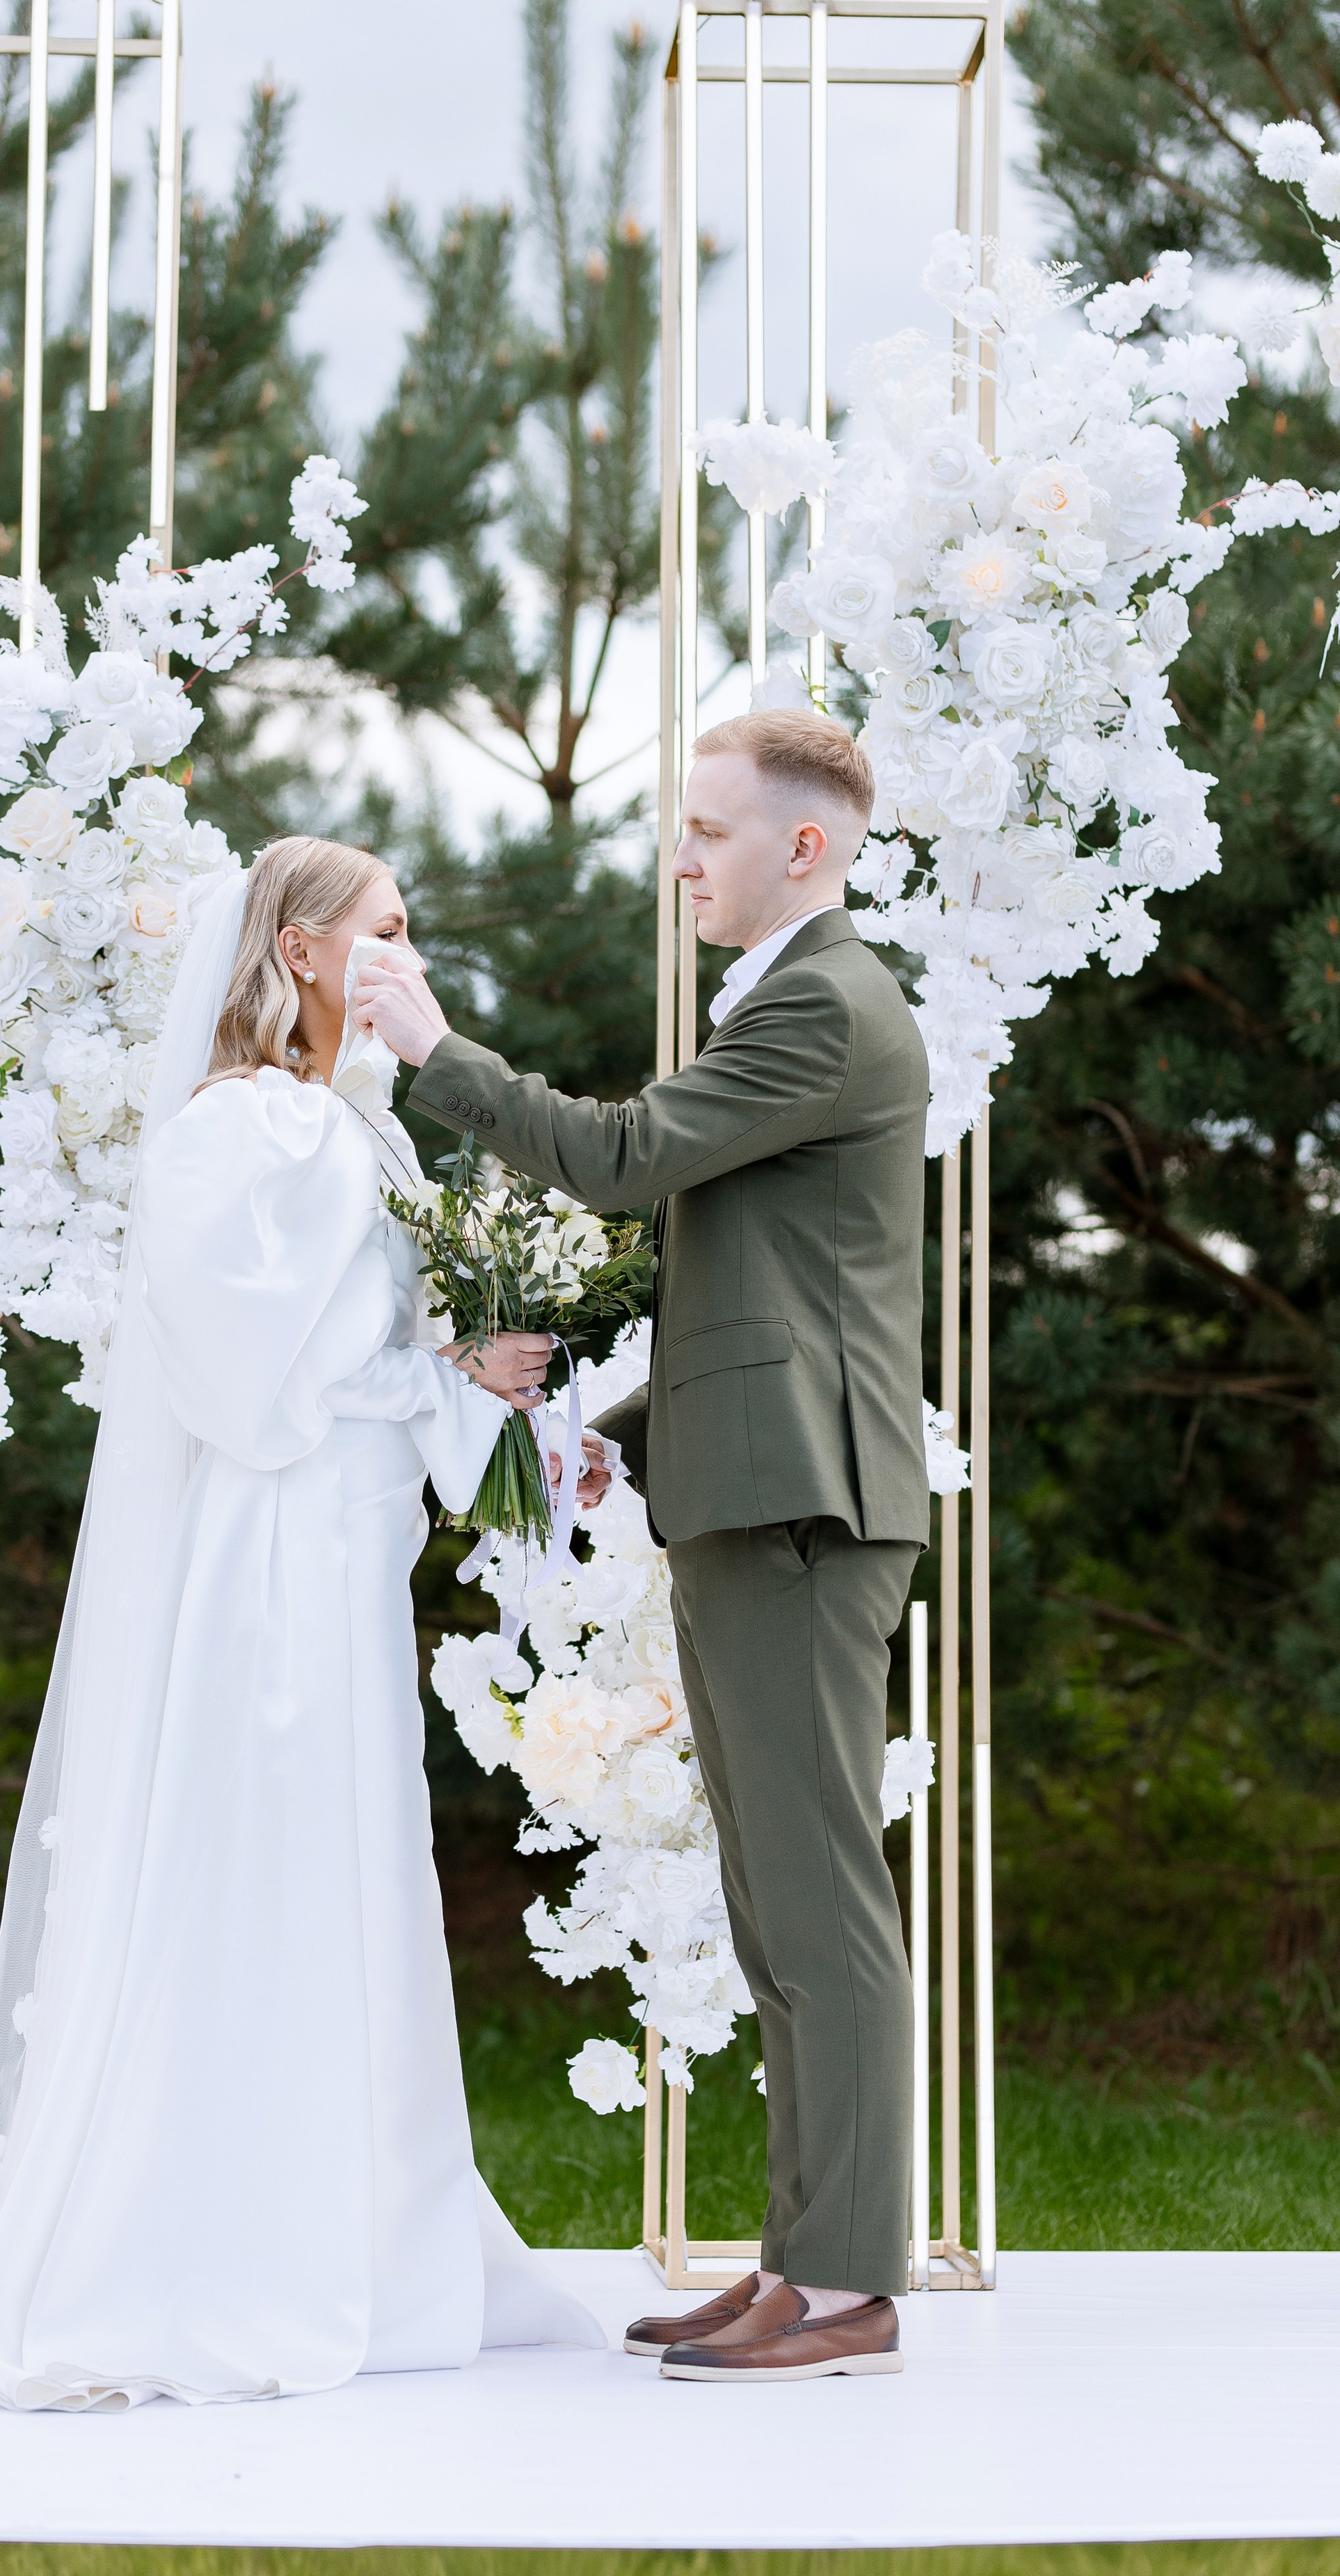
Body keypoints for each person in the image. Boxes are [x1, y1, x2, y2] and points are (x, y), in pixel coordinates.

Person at [0, 835, 605, 2406]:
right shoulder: (240, 1131)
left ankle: (365, 2231)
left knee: (346, 1866)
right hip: (268, 1560)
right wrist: (443, 1384)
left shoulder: (361, 1132)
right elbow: (257, 1389)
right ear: (301, 951)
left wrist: (497, 1415)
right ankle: (226, 2249)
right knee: (264, 1860)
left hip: (342, 1549)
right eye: (383, 927)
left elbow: (381, 1365)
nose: (406, 950)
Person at [352, 707, 930, 2386]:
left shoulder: (823, 999)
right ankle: (800, 2266)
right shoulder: (788, 994)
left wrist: (431, 1047)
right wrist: (622, 1429)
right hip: (753, 1486)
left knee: (818, 1907)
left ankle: (841, 2292)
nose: (680, 856)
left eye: (707, 829)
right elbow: (758, 1275)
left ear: (802, 849)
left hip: (804, 1505)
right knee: (777, 1906)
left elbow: (618, 1164)